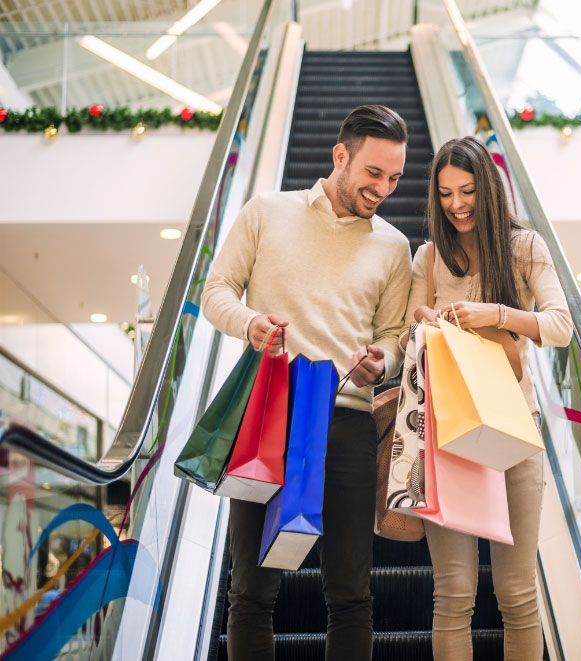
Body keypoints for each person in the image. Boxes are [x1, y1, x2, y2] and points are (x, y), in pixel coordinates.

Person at [201, 104, 412, 660]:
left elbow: (394, 333)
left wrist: (382, 360)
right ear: (341, 155)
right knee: (251, 590)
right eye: (374, 173)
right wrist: (250, 323)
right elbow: (216, 290)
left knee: (351, 594)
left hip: (347, 423)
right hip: (269, 413)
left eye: (395, 178)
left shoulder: (394, 246)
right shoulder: (267, 212)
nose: (384, 188)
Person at [402, 136, 573, 660]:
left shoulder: (525, 247)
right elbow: (411, 321)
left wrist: (496, 314)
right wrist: (427, 320)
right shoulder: (429, 256)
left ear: (490, 190)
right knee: (453, 594)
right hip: (447, 433)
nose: (456, 205)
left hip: (515, 430)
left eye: (469, 191)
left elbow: (560, 327)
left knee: (517, 594)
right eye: (447, 193)